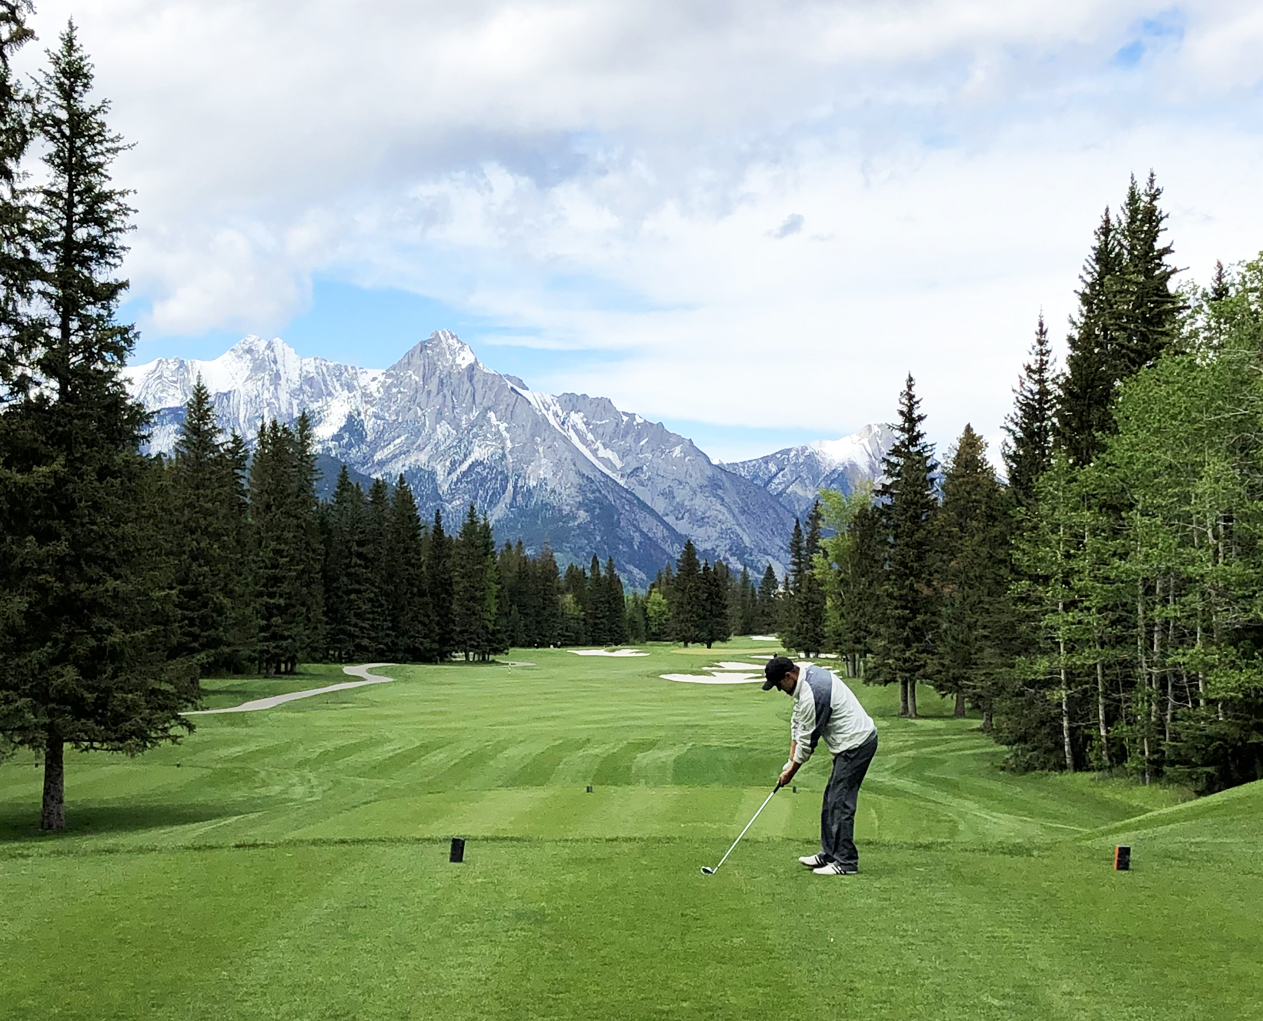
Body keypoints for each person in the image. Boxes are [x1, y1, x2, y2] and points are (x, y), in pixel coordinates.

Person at [763, 655, 878, 875]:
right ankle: (830, 854)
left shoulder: (814, 694)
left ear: (789, 676)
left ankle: (846, 862)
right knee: (831, 798)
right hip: (849, 744)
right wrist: (789, 762)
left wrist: (790, 773)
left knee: (840, 802)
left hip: (857, 744)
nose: (779, 690)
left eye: (779, 684)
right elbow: (797, 723)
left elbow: (806, 743)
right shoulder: (805, 678)